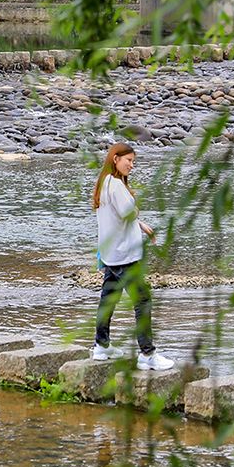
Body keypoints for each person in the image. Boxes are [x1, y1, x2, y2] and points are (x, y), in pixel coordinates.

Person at [92, 142, 172, 371]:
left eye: (133, 162)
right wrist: (137, 215)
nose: (131, 165)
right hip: (124, 255)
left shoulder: (104, 183)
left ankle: (101, 346)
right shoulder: (115, 184)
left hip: (112, 253)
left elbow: (121, 216)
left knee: (108, 300)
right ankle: (148, 354)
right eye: (129, 161)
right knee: (143, 300)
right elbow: (128, 211)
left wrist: (139, 224)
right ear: (115, 159)